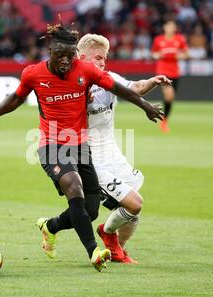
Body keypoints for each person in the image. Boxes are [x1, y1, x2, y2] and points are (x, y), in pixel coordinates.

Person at [0, 21, 164, 272]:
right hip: (52, 145)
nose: (65, 61)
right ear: (50, 53)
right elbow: (16, 99)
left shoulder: (88, 72)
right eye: (59, 55)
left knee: (91, 210)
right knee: (75, 188)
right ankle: (94, 251)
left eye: (69, 56)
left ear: (76, 56)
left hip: (81, 147)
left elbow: (123, 89)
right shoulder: (33, 73)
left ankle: (50, 226)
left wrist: (147, 106)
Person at [77, 33, 172, 264]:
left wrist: (152, 81)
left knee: (133, 208)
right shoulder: (71, 84)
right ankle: (108, 235)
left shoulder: (108, 78)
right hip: (89, 158)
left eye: (105, 58)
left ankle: (119, 247)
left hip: (112, 153)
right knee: (134, 203)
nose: (102, 63)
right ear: (81, 57)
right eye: (98, 58)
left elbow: (134, 88)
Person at [151, 20, 189, 133]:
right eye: (168, 26)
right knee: (169, 94)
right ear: (164, 27)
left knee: (170, 98)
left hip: (175, 73)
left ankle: (164, 120)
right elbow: (153, 54)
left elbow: (187, 54)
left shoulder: (180, 39)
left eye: (172, 26)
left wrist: (179, 56)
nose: (170, 28)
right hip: (162, 72)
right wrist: (159, 55)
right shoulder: (158, 40)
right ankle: (163, 121)